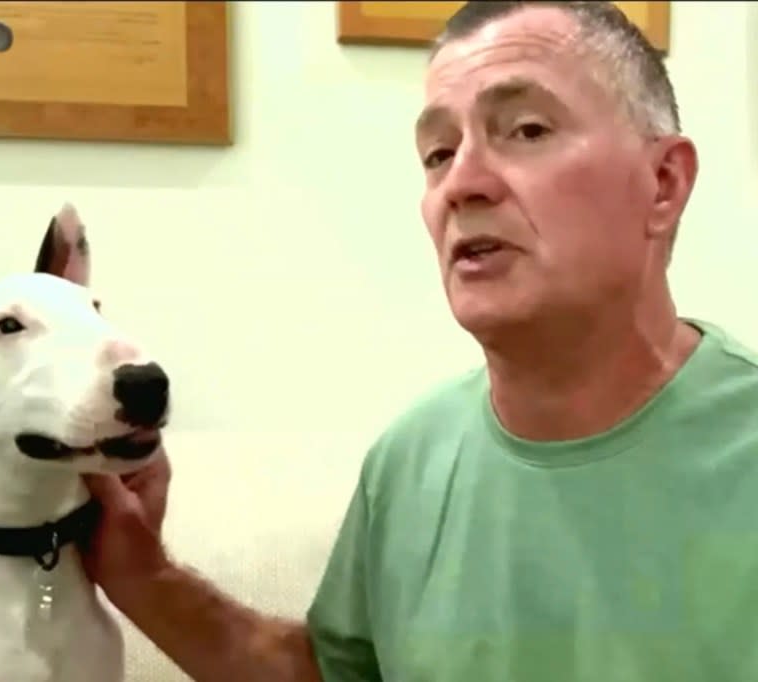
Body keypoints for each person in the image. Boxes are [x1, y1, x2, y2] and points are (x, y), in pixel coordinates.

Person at [76, 2, 758, 680]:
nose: (462, 182)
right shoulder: (411, 460)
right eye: (438, 153)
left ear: (663, 183)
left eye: (525, 129)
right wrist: (144, 577)